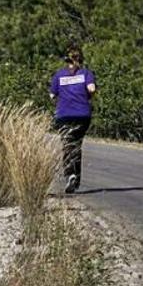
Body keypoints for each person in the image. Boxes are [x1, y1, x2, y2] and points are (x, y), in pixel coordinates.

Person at [49, 45, 96, 193]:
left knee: (67, 145)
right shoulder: (86, 73)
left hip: (64, 115)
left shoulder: (59, 75)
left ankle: (70, 174)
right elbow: (92, 89)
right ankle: (76, 179)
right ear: (80, 58)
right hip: (82, 115)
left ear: (66, 59)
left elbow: (51, 95)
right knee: (76, 145)